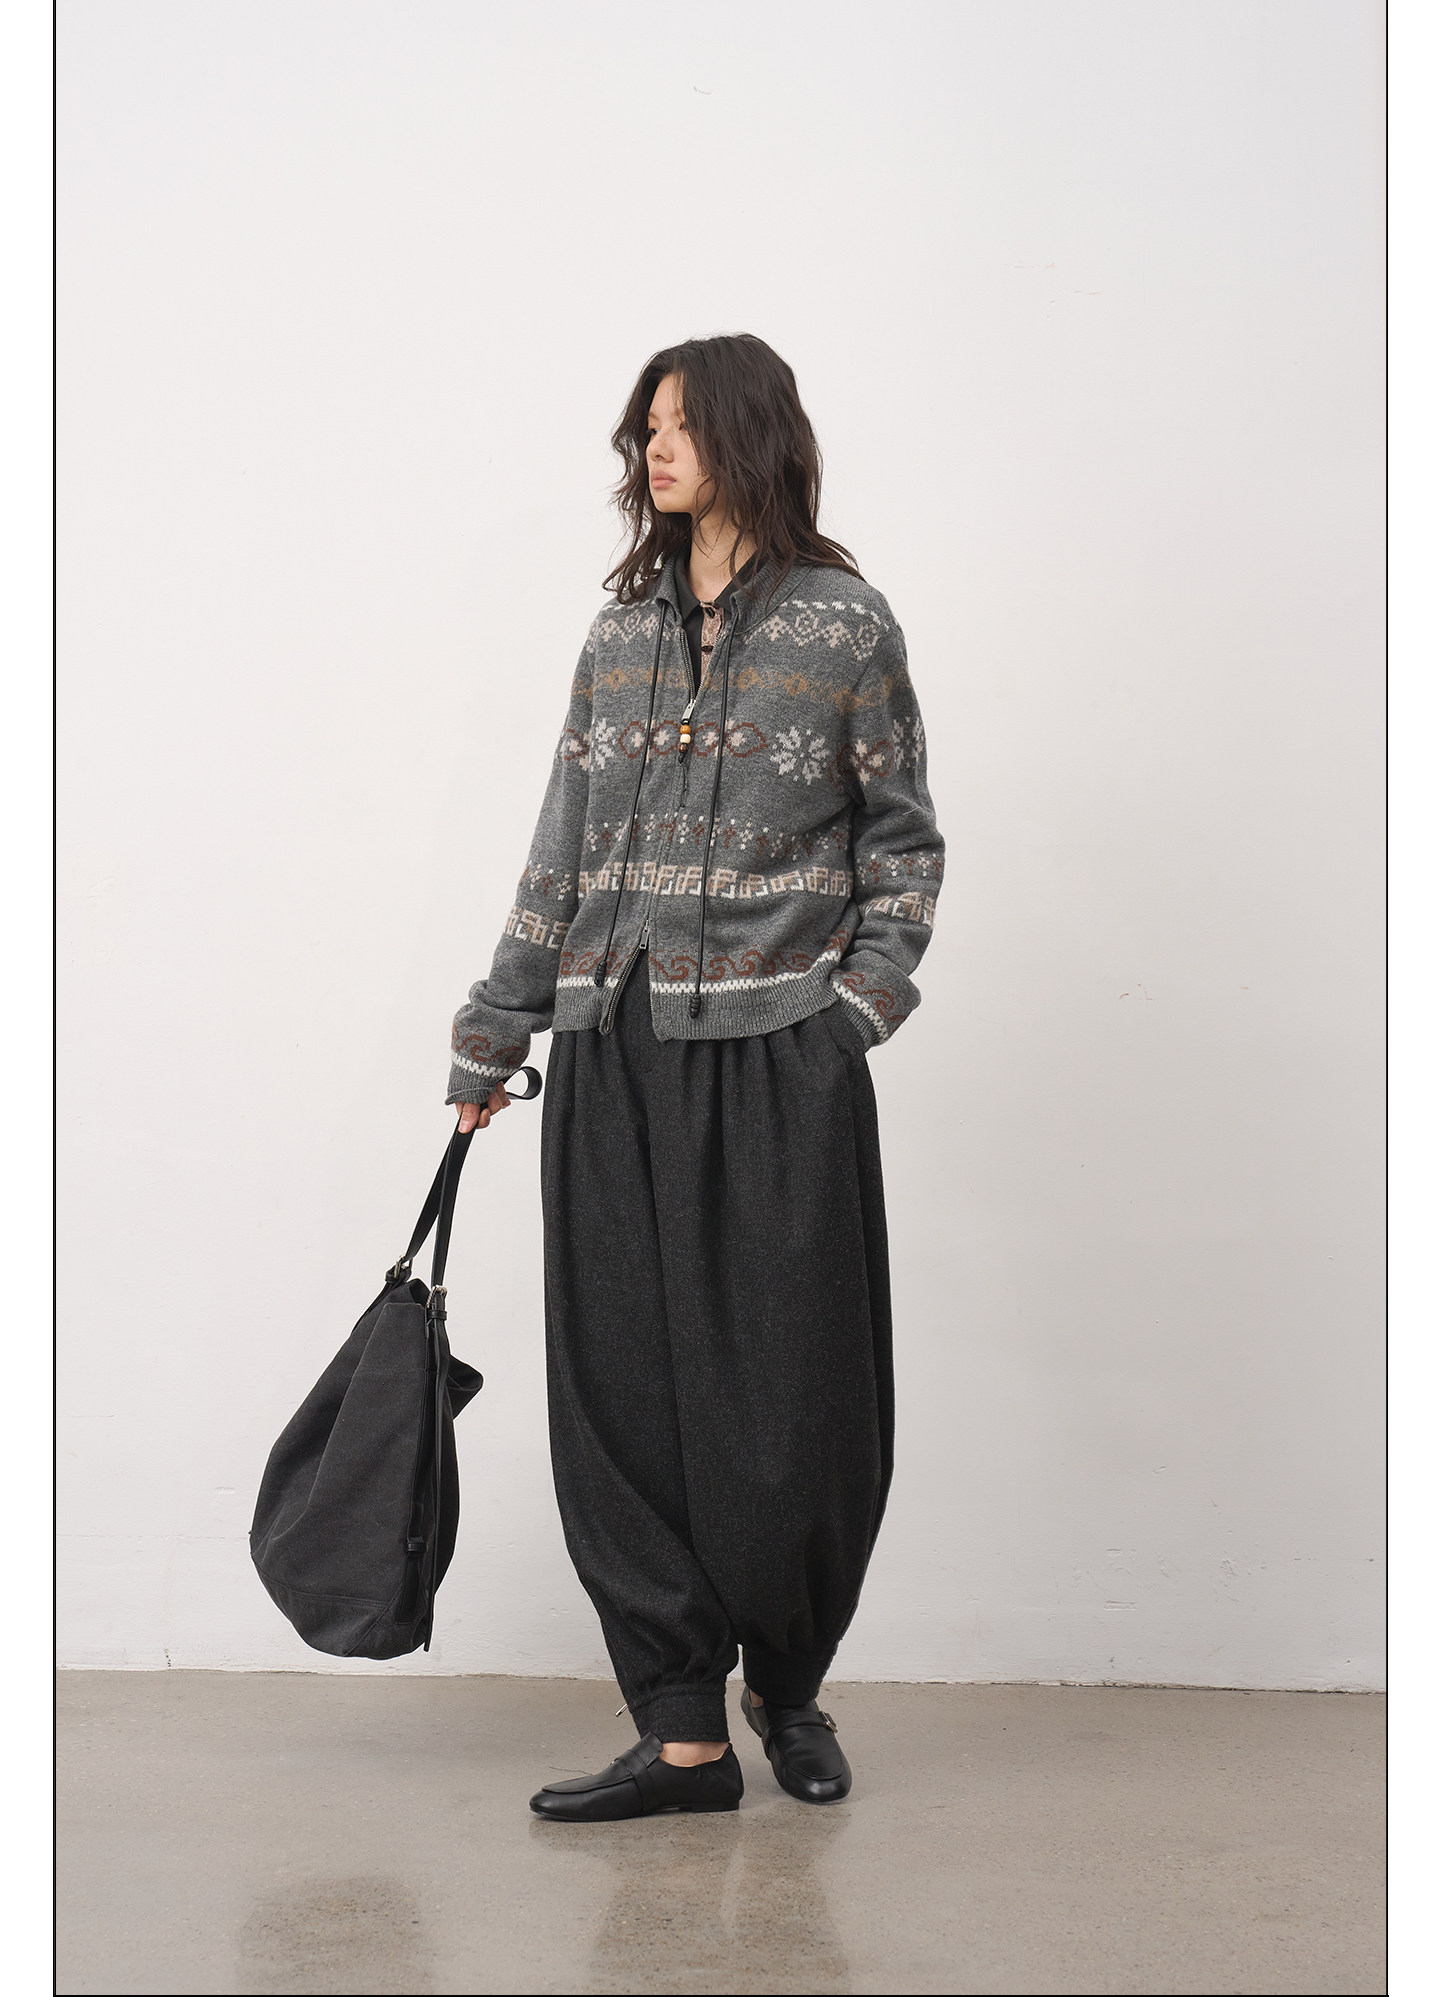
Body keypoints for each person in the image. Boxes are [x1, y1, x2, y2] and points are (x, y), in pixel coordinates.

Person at [448, 333, 944, 1822]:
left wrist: (851, 1015)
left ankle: (787, 1684)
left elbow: (903, 842)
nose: (651, 450)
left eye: (676, 426)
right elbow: (562, 841)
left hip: (778, 1054)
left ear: (747, 434)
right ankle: (681, 1733)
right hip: (611, 1046)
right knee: (621, 1401)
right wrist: (497, 1025)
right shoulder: (618, 636)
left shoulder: (845, 624)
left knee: (795, 1402)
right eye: (644, 429)